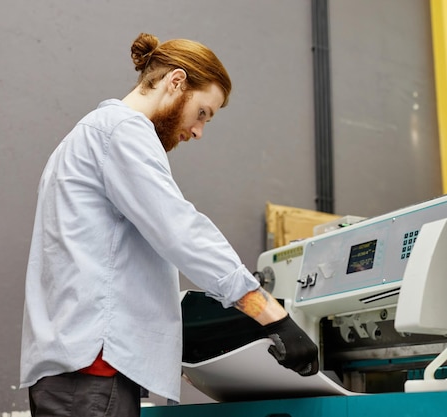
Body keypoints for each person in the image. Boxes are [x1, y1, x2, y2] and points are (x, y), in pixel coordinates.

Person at [20, 32, 319, 417]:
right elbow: (181, 232)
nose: (198, 132)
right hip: (92, 372)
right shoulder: (122, 132)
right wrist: (273, 317)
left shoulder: (88, 134)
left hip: (73, 369)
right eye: (202, 113)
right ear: (176, 82)